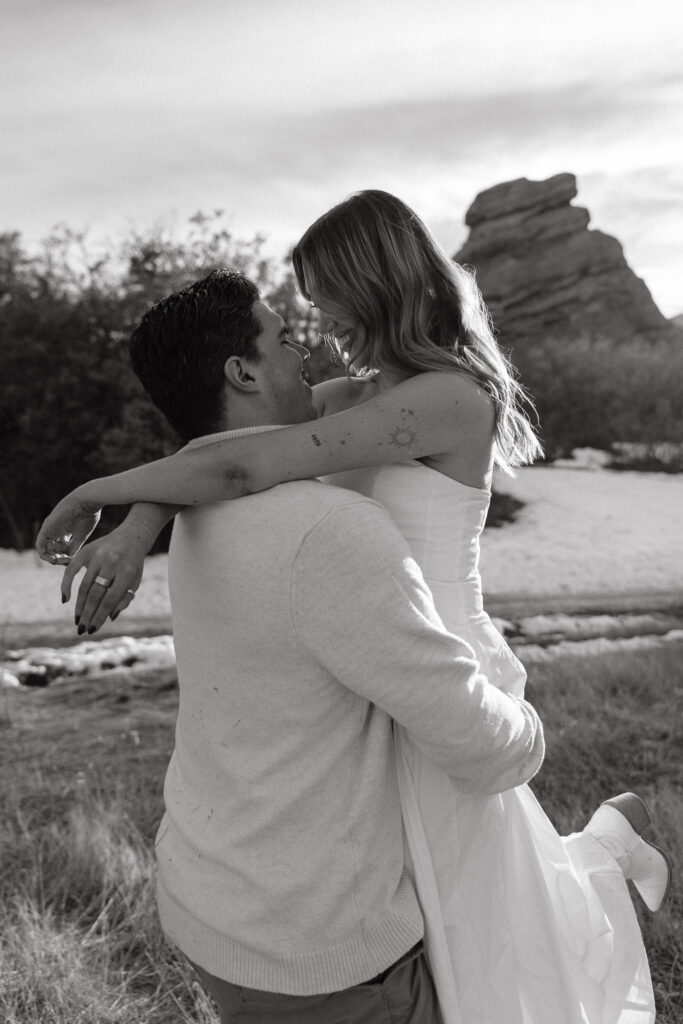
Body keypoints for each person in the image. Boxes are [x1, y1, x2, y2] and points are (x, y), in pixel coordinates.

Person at [38, 193, 670, 1023]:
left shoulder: (450, 399)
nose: (314, 318)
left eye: (321, 294)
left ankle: (607, 859)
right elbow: (222, 451)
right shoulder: (356, 393)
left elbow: (244, 465)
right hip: (373, 643)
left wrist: (98, 489)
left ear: (370, 283)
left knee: (485, 910)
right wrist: (140, 518)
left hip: (432, 642)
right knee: (440, 894)